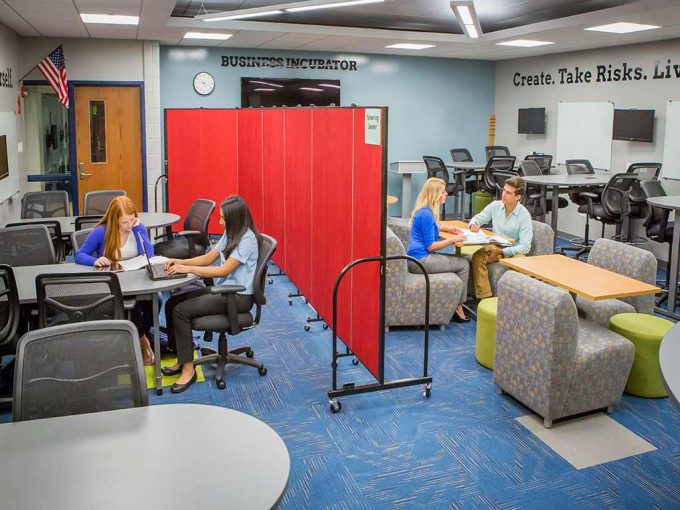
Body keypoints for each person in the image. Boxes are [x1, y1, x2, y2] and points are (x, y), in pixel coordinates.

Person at [161, 195, 260, 394]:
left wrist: (185, 269)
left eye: (223, 219)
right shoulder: (232, 233)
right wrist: (177, 262)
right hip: (223, 291)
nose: (220, 222)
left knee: (181, 311)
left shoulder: (246, 239)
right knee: (172, 303)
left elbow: (222, 271)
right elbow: (207, 259)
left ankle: (188, 369)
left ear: (236, 219)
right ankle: (182, 358)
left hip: (237, 298)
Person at [75, 195, 156, 365]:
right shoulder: (101, 232)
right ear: (115, 220)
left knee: (156, 301)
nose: (128, 225)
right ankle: (142, 342)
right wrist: (95, 260)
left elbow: (149, 254)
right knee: (132, 306)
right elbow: (80, 254)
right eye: (124, 222)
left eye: (132, 220)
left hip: (137, 279)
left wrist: (138, 229)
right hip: (113, 283)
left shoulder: (137, 228)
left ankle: (140, 335)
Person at [407, 177, 471, 323]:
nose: (446, 194)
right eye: (443, 192)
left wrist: (448, 228)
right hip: (421, 260)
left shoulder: (425, 211)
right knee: (464, 264)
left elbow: (435, 225)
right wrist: (452, 240)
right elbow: (431, 246)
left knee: (465, 259)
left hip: (417, 258)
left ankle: (455, 299)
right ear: (435, 195)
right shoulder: (426, 214)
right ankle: (458, 305)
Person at [469, 175, 533, 299]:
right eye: (504, 190)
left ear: (517, 197)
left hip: (513, 249)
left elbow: (525, 247)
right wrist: (473, 224)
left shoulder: (524, 215)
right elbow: (478, 218)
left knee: (522, 264)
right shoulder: (495, 206)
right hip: (496, 245)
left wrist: (502, 252)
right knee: (478, 256)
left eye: (508, 193)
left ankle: (521, 300)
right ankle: (485, 297)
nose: (504, 194)